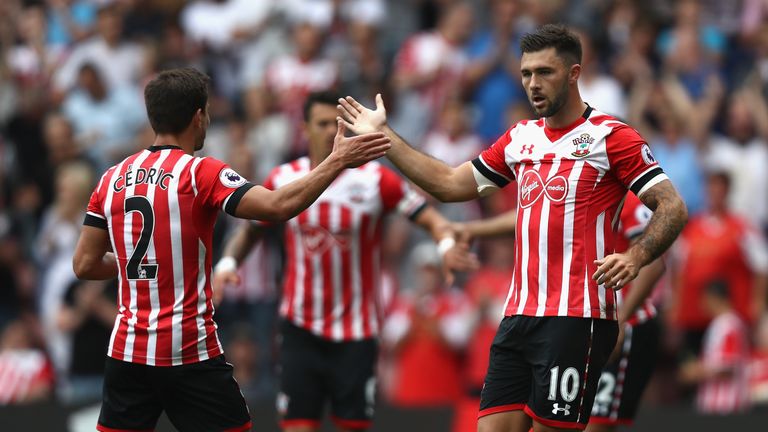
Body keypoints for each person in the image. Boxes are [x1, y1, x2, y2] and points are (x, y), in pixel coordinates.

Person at [338, 24, 688, 432]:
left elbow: (672, 206)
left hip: (576, 318)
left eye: (545, 73)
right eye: (526, 74)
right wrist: (384, 137)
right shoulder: (520, 139)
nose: (533, 85)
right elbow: (451, 184)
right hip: (518, 316)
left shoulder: (611, 138)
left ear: (574, 73)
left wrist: (637, 255)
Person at [71, 67, 391, 432]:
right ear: (198, 116)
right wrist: (337, 162)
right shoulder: (199, 173)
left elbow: (84, 264)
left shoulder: (111, 178)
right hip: (188, 349)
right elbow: (276, 206)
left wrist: (133, 262)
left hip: (127, 351)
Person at [212, 91, 478, 432]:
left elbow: (430, 218)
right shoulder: (282, 179)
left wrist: (444, 245)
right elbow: (250, 233)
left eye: (338, 124)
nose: (330, 131)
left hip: (357, 331)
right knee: (298, 426)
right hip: (300, 327)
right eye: (322, 123)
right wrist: (227, 264)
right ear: (304, 128)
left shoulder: (375, 181)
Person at [679, 280, 751, 414]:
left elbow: (728, 367)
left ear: (714, 298)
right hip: (712, 406)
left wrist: (696, 372)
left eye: (703, 299)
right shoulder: (718, 325)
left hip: (726, 406)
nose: (702, 304)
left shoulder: (730, 325)